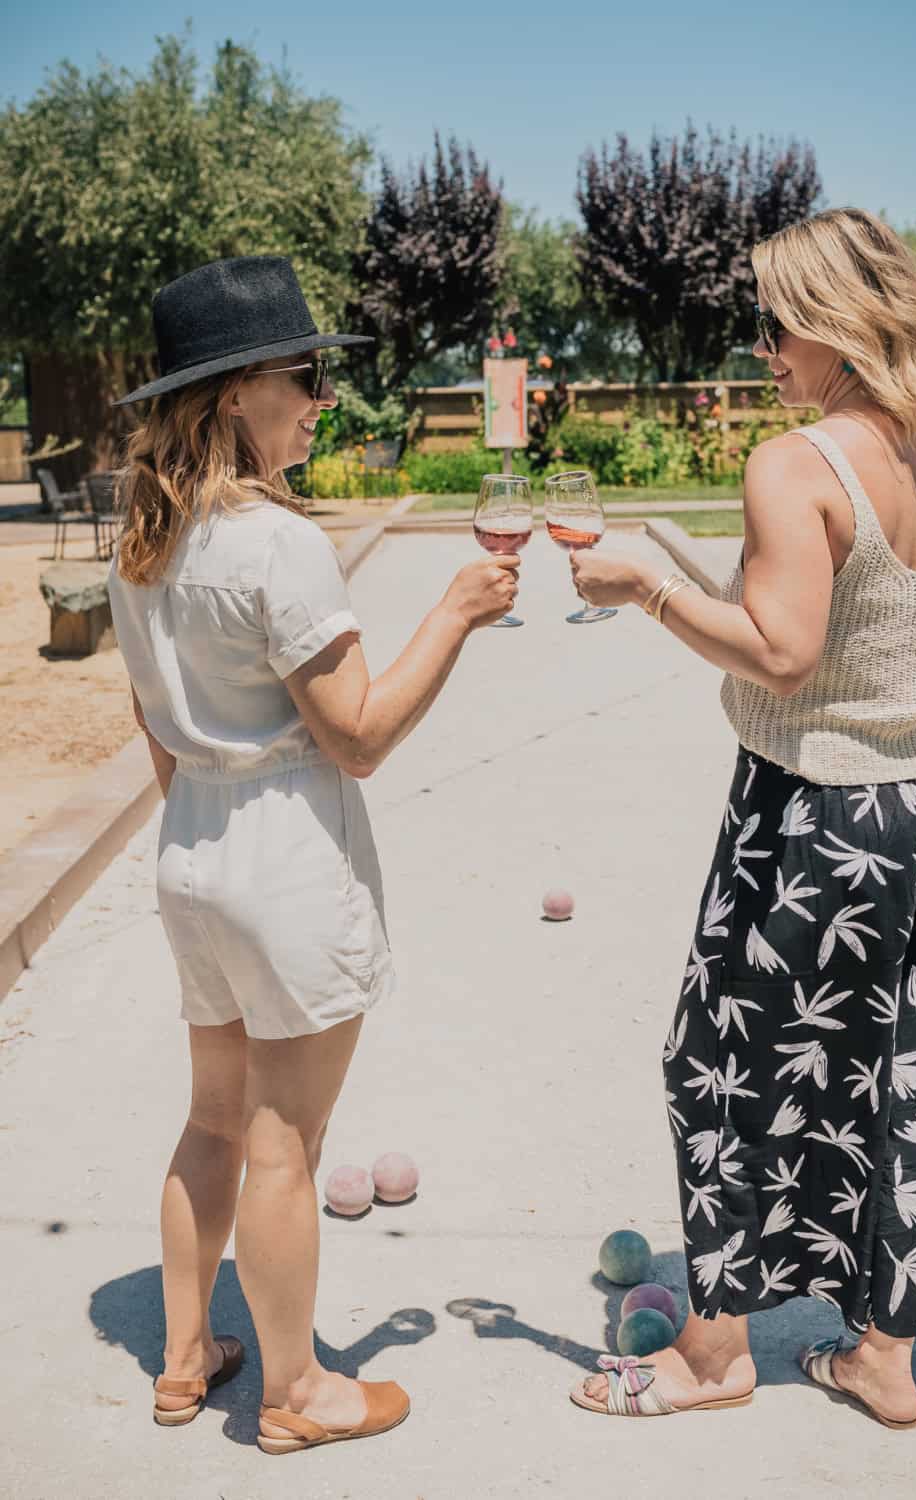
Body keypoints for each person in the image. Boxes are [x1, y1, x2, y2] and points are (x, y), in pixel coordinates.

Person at [567, 208, 916, 1429]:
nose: (763, 350)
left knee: (724, 1066)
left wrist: (649, 585)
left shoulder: (795, 463)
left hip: (815, 821)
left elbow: (783, 654)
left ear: (832, 326)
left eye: (771, 324)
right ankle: (885, 1357)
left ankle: (713, 1353)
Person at [107, 256, 519, 1455]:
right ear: (237, 394)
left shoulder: (149, 535)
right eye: (306, 378)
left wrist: (203, 826)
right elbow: (360, 735)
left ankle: (185, 1362)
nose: (322, 402)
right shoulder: (274, 544)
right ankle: (298, 1390)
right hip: (285, 852)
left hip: (190, 844)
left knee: (211, 1120)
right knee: (289, 1140)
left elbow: (150, 720)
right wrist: (454, 612)